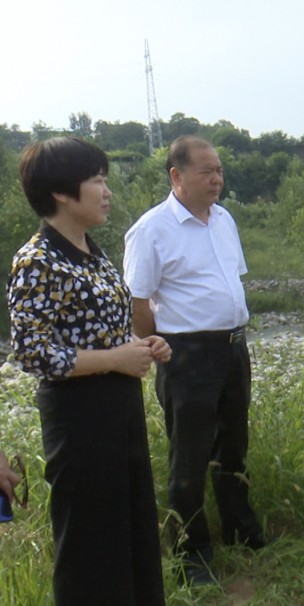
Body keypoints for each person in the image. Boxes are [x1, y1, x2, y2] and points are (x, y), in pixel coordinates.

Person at [7, 137, 168, 605]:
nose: (106, 190)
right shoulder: (38, 260)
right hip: (79, 415)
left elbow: (99, 333)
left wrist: (140, 345)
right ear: (61, 192)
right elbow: (33, 352)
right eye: (96, 180)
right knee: (89, 543)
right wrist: (116, 359)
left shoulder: (91, 251)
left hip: (119, 407)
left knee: (131, 528)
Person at [123, 136, 267, 586]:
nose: (216, 179)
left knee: (234, 446)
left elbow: (230, 280)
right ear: (177, 176)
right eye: (207, 171)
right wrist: (160, 346)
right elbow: (137, 302)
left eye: (219, 170)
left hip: (232, 347)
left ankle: (240, 529)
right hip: (186, 354)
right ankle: (191, 551)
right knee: (189, 455)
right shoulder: (152, 229)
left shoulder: (223, 219)